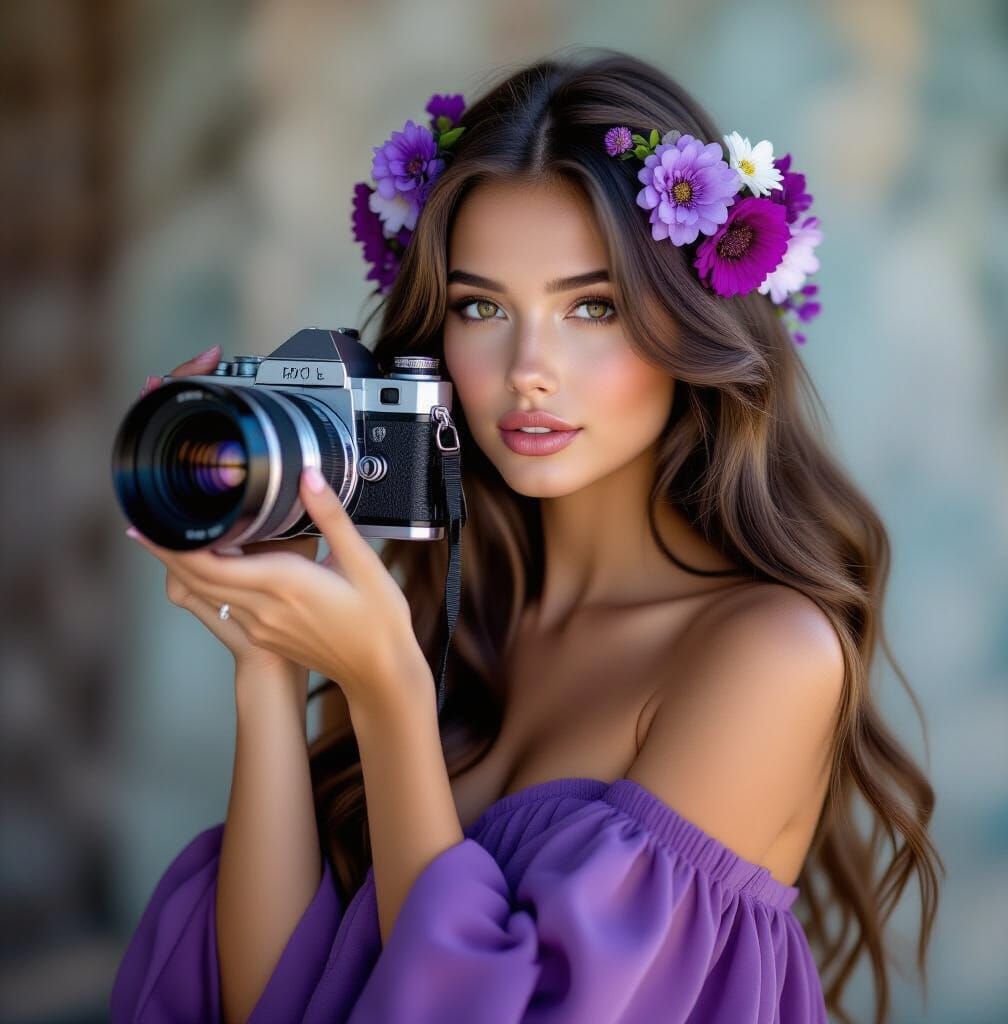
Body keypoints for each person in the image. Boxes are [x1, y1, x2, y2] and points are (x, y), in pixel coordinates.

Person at [110, 49, 943, 1024]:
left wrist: (387, 695)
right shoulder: (445, 610)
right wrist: (266, 662)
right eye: (480, 307)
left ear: (693, 319)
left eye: (591, 307)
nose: (528, 368)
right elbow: (270, 1001)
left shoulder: (765, 653)